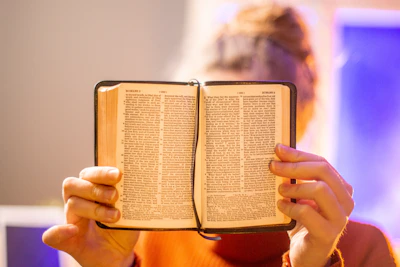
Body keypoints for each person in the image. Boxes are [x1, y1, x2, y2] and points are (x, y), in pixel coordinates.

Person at [42, 4, 398, 267]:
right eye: (205, 123)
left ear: (299, 122)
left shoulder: (365, 248)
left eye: (247, 122)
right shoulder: (143, 236)